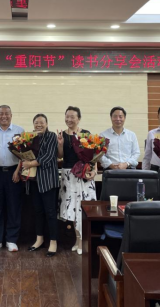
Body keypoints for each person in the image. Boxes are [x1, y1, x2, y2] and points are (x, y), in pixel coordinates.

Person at [57, 106, 96, 255]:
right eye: (67, 116)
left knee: (83, 209)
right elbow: (60, 156)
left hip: (84, 174)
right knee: (72, 209)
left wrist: (93, 171)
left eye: (72, 117)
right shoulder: (62, 135)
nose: (69, 119)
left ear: (78, 118)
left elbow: (94, 155)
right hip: (69, 175)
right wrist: (60, 144)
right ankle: (77, 239)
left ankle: (83, 241)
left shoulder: (86, 134)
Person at [0, 105, 24, 253]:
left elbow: (24, 154)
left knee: (13, 207)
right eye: (1, 114)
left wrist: (18, 171)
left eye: (7, 113)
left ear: (11, 115)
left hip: (13, 172)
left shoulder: (19, 131)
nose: (4, 116)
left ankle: (11, 240)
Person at [25, 114, 59, 257]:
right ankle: (39, 239)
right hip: (33, 180)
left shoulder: (51, 136)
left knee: (50, 212)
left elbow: (49, 156)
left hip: (47, 180)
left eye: (41, 122)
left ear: (47, 124)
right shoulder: (30, 137)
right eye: (36, 122)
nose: (39, 125)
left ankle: (53, 242)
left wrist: (30, 163)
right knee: (37, 211)